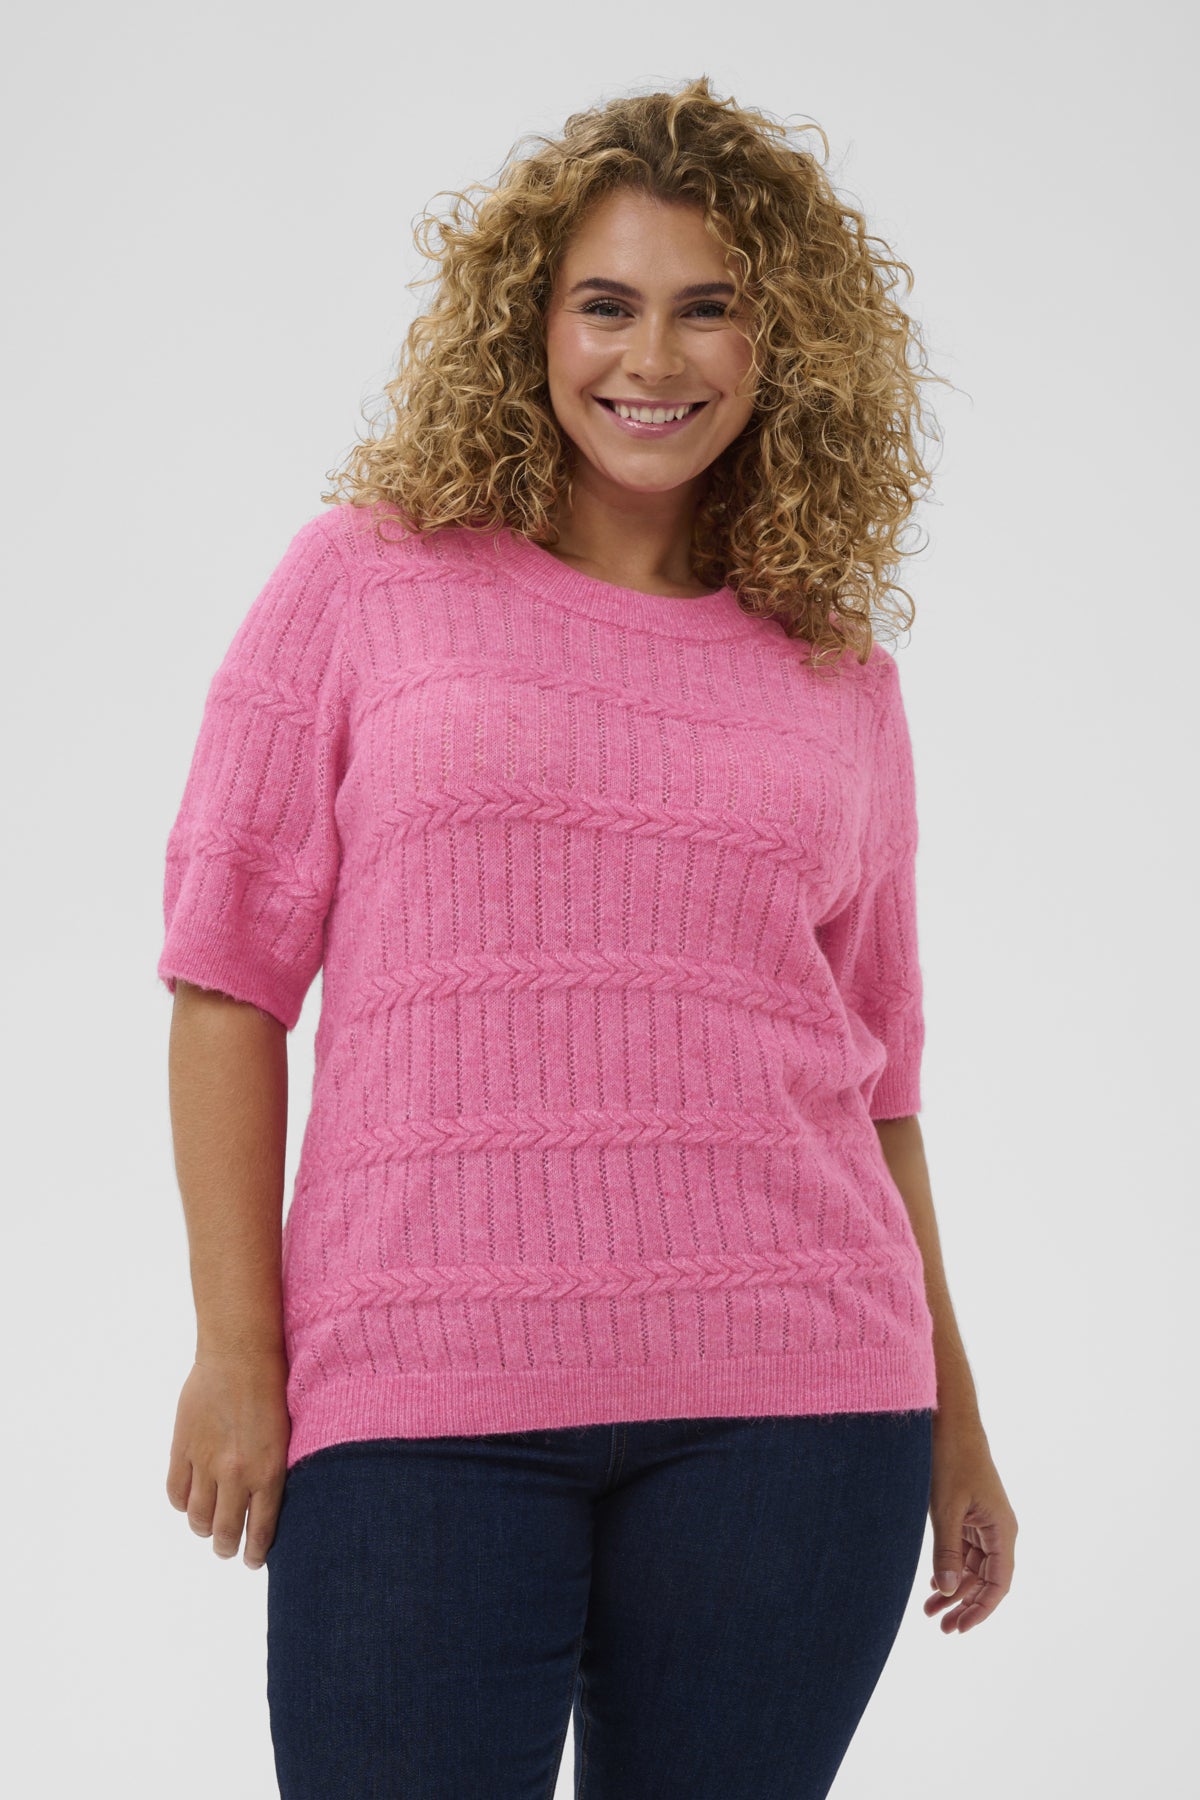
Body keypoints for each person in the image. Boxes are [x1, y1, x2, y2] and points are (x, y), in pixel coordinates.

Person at [158, 76, 1018, 1800]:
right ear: (529, 326)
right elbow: (226, 980)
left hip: (801, 1406)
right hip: (418, 1396)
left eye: (711, 308)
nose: (655, 357)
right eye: (607, 303)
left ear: (786, 346)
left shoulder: (836, 669)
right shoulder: (365, 581)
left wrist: (960, 1421)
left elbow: (877, 1084)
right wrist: (238, 1353)